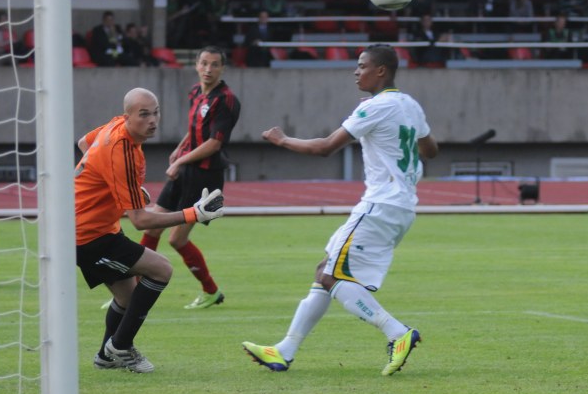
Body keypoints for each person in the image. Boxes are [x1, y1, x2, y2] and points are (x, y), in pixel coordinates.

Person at [242, 44, 438, 376]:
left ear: (381, 71)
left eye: (362, 66)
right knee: (325, 269)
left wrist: (282, 140)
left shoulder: (375, 107)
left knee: (332, 275)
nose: (355, 72)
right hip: (401, 207)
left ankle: (398, 332)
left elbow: (325, 148)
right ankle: (285, 350)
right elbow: (430, 150)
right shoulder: (409, 104)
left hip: (379, 205)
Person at [75, 87, 226, 373]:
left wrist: (116, 185)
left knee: (127, 295)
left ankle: (106, 356)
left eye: (155, 112)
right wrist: (194, 213)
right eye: (143, 114)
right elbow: (141, 221)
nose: (152, 120)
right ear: (128, 116)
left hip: (94, 229)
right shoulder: (121, 148)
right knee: (161, 269)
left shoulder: (115, 127)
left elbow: (84, 143)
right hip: (88, 235)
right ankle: (120, 346)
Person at [138, 46, 241, 310]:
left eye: (214, 64)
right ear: (196, 65)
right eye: (204, 63)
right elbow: (195, 129)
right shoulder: (195, 92)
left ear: (222, 69)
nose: (208, 69)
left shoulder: (226, 100)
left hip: (205, 177)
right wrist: (180, 148)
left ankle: (211, 291)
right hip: (186, 169)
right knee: (151, 226)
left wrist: (181, 160)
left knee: (176, 239)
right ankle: (132, 289)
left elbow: (214, 143)